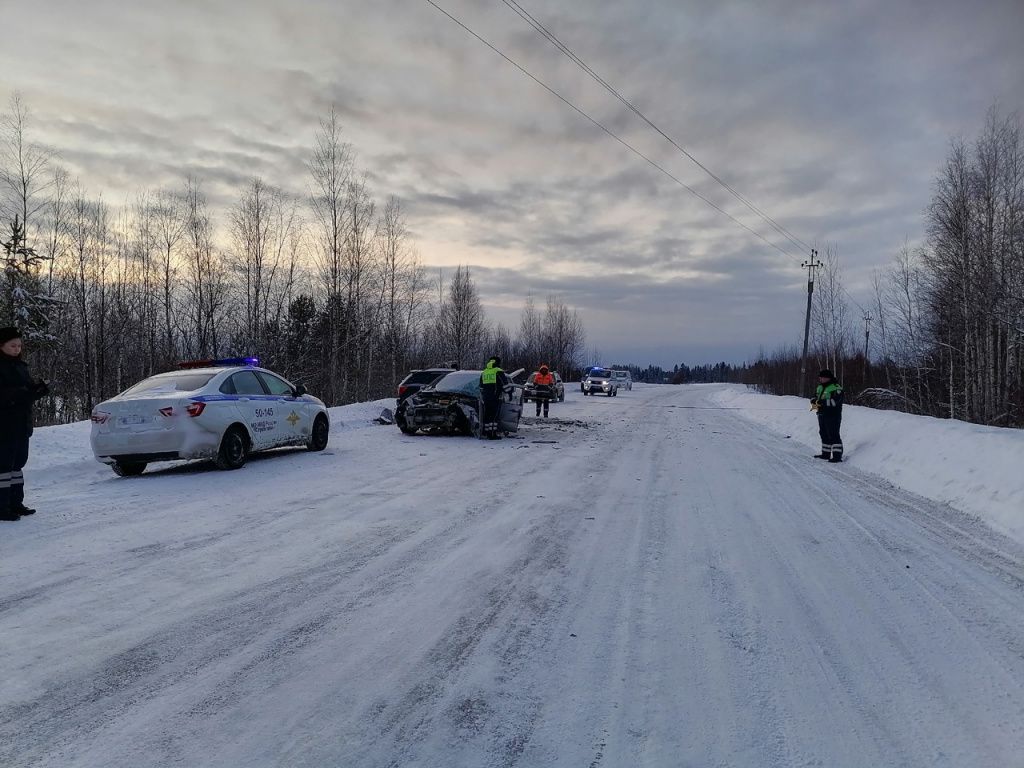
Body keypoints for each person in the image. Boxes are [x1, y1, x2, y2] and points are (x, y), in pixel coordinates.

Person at [0, 327, 49, 521]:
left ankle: (16, 503)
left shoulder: (21, 366)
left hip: (21, 425)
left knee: (17, 465)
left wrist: (37, 390)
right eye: (12, 345)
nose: (16, 349)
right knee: (3, 467)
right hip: (4, 426)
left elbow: (25, 392)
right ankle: (2, 507)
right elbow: (5, 396)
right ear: (1, 345)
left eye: (19, 345)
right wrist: (23, 394)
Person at [811, 368, 844, 463]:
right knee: (823, 434)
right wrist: (813, 401)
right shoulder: (820, 387)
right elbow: (815, 396)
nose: (820, 379)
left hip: (833, 415)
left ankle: (837, 456)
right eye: (820, 377)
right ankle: (825, 454)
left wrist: (822, 402)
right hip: (821, 414)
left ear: (827, 378)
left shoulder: (836, 388)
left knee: (833, 435)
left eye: (821, 378)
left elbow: (835, 402)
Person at [479, 355, 509, 440]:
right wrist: (510, 393)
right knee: (494, 416)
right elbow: (505, 385)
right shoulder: (498, 371)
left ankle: (485, 432)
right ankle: (492, 434)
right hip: (495, 397)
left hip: (485, 398)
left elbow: (481, 386)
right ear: (498, 363)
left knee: (487, 415)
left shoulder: (484, 372)